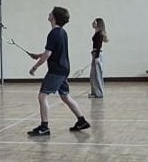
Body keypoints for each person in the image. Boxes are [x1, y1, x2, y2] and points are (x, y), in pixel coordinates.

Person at [28, 7, 90, 136]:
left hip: (56, 70)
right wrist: (38, 55)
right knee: (65, 96)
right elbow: (52, 52)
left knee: (42, 96)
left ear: (54, 17)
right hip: (64, 68)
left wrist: (35, 67)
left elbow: (48, 55)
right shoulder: (62, 32)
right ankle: (82, 121)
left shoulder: (53, 33)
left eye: (51, 13)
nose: (49, 13)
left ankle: (44, 127)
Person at [89, 18, 110, 98]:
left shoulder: (99, 33)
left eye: (94, 22)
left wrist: (97, 57)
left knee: (97, 74)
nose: (93, 23)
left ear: (98, 23)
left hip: (97, 54)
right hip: (95, 53)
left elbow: (98, 46)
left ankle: (99, 93)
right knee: (93, 75)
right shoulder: (97, 33)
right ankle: (94, 92)